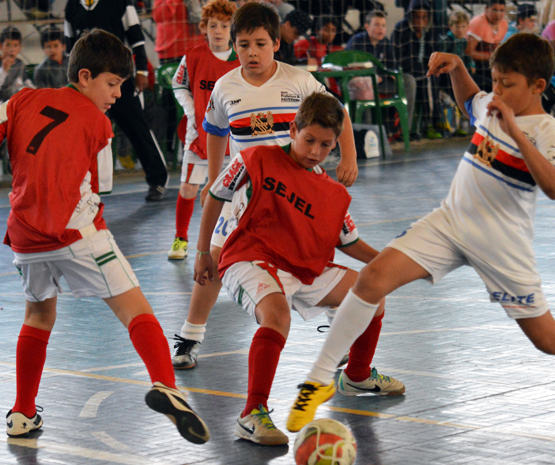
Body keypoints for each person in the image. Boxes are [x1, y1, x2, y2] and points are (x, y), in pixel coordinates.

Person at [286, 33, 555, 431]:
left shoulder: (544, 128)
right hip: (449, 223)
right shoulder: (491, 106)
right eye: (495, 81)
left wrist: (515, 132)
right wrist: (460, 69)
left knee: (547, 341)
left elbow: (552, 186)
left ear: (538, 87)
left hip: (502, 243)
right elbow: (469, 100)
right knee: (371, 278)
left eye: (507, 84)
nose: (497, 91)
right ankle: (318, 379)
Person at [0, 29, 210, 445]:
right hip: (75, 232)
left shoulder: (23, 100)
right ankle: (167, 385)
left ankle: (22, 412)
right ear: (86, 76)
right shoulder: (98, 122)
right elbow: (101, 187)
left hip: (23, 238)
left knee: (38, 316)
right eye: (112, 85)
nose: (116, 95)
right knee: (134, 305)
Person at [194, 92, 401, 446]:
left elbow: (349, 243)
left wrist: (394, 262)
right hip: (249, 257)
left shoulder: (333, 193)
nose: (316, 151)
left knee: (372, 293)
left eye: (326, 145)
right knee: (276, 316)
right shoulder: (255, 158)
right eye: (309, 140)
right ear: (293, 130)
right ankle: (252, 414)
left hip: (300, 266)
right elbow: (215, 195)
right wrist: (203, 251)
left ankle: (356, 375)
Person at [171, 2, 358, 370]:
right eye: (243, 45)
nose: (251, 52)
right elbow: (215, 132)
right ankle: (190, 336)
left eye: (259, 43)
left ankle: (340, 335)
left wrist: (348, 158)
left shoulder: (300, 80)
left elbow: (340, 113)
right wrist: (214, 177)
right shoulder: (226, 87)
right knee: (213, 253)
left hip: (300, 190)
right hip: (247, 192)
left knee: (317, 255)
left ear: (276, 42)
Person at [64, 0, 170, 201]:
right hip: (86, 85)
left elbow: (136, 37)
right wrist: (72, 81)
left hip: (118, 80)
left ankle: (158, 179)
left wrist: (140, 70)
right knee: (80, 135)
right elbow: (70, 47)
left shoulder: (121, 3)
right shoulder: (71, 7)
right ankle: (76, 184)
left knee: (137, 128)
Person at [168, 0, 239, 260]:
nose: (218, 30)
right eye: (213, 25)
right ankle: (180, 238)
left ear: (233, 30)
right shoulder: (194, 56)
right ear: (204, 28)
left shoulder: (241, 60)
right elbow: (178, 85)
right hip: (198, 133)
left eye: (224, 25)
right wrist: (190, 109)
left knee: (234, 191)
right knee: (188, 188)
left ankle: (231, 240)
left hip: (232, 138)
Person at [347, 10, 417, 132]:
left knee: (409, 81)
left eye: (383, 25)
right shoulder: (357, 42)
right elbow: (350, 67)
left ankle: (404, 130)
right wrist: (372, 76)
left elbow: (392, 66)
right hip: (361, 85)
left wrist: (394, 74)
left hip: (380, 82)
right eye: (377, 25)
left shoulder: (385, 42)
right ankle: (367, 132)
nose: (381, 29)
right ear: (367, 27)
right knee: (366, 87)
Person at [152, 0, 204, 161]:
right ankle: (168, 150)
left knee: (197, 104)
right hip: (170, 51)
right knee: (171, 106)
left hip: (196, 48)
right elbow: (159, 15)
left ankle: (194, 147)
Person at [392, 0, 442, 139]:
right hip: (406, 72)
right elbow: (397, 58)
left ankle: (437, 123)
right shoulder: (400, 29)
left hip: (424, 70)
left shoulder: (432, 31)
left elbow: (435, 53)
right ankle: (418, 127)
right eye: (417, 17)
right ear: (410, 16)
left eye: (424, 17)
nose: (420, 21)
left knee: (434, 77)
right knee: (422, 80)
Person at [0, 26, 34, 115]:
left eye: (15, 45)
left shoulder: (19, 63)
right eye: (8, 45)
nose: (12, 49)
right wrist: (3, 70)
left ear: (19, 48)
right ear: (0, 46)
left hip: (15, 103)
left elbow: (26, 82)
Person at [466, 0, 508, 91]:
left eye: (501, 11)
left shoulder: (504, 24)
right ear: (486, 9)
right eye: (495, 10)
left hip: (489, 64)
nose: (498, 14)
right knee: (495, 86)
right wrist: (489, 57)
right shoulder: (478, 23)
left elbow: (497, 48)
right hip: (474, 66)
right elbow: (468, 52)